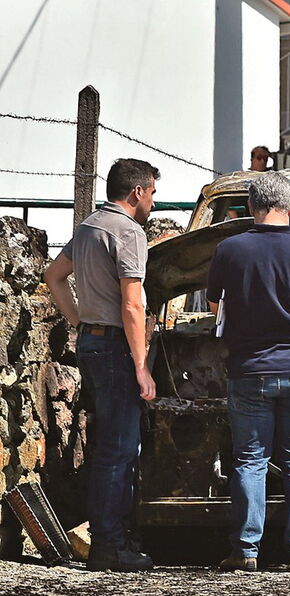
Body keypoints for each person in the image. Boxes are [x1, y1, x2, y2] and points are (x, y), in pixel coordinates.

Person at [206, 171, 290, 573]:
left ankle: (246, 551)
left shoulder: (229, 249)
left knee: (249, 461)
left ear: (251, 207)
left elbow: (216, 307)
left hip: (249, 371)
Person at [44, 158, 160, 572]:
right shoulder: (129, 232)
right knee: (119, 448)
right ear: (137, 192)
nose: (152, 202)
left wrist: (78, 320)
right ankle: (110, 545)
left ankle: (109, 539)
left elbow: (53, 275)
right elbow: (133, 303)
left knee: (107, 445)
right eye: (151, 193)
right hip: (115, 348)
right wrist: (142, 365)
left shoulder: (89, 226)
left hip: (92, 343)